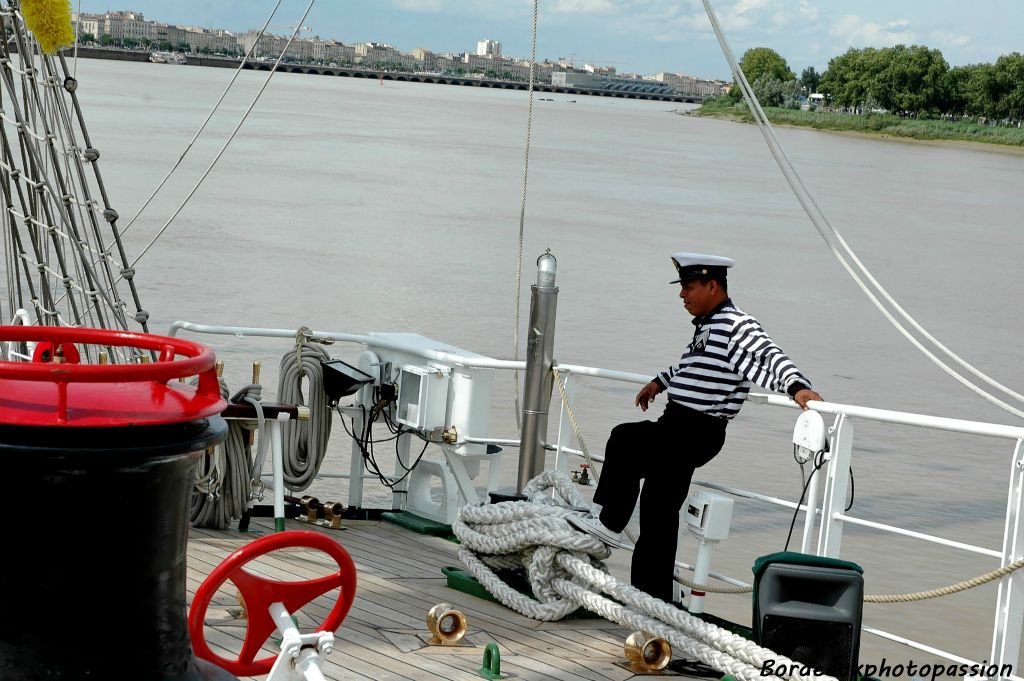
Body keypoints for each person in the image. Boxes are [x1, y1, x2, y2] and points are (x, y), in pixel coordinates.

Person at [567, 252, 824, 604]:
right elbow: (693, 365)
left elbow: (769, 356)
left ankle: (610, 523)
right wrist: (660, 382)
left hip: (694, 430)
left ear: (712, 285)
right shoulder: (708, 324)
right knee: (659, 506)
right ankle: (651, 597)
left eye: (688, 287)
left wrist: (798, 388)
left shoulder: (736, 324)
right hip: (677, 424)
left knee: (625, 439)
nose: (682, 295)